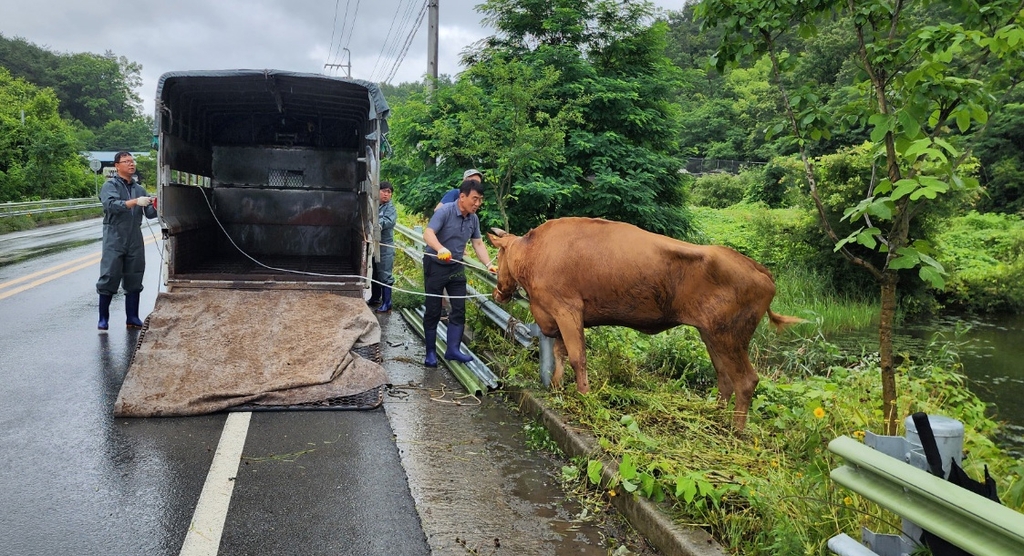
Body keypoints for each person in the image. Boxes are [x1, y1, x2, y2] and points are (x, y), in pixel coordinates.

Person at [422, 178, 498, 367]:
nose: (477, 204)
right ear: (462, 197)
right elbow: (428, 233)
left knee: (458, 309)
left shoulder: (473, 219)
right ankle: (430, 352)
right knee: (433, 310)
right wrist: (440, 249)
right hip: (435, 265)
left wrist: (489, 264)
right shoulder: (445, 212)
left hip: (456, 268)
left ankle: (453, 350)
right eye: (474, 199)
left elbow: (478, 243)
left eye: (480, 200)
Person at [96, 151, 158, 330]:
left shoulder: (139, 188)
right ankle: (103, 318)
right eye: (126, 161)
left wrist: (157, 203)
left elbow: (150, 214)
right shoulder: (110, 185)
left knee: (135, 275)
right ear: (117, 166)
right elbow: (111, 205)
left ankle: (132, 317)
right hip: (114, 237)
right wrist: (134, 202)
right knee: (109, 275)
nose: (131, 164)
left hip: (135, 238)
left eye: (132, 161)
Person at [368, 181, 397, 312]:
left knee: (385, 274)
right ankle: (375, 297)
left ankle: (387, 302)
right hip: (375, 245)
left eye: (389, 192)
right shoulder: (374, 205)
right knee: (375, 272)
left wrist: (378, 225)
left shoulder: (390, 208)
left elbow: (389, 221)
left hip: (385, 245)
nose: (386, 194)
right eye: (383, 191)